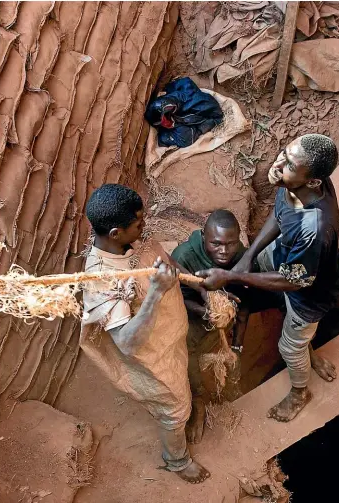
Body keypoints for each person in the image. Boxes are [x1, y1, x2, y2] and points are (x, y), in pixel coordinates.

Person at [196, 134, 339, 423]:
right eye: (283, 153)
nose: (278, 164)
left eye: (289, 163)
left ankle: (300, 392)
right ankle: (307, 347)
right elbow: (280, 215)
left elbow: (294, 282)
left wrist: (229, 274)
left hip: (309, 294)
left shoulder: (314, 229)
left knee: (289, 346)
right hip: (288, 258)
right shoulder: (293, 182)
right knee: (284, 312)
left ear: (313, 182)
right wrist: (249, 255)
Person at [79, 183, 210, 484]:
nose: (145, 225)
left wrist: (199, 285)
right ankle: (177, 460)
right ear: (115, 233)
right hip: (153, 358)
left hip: (171, 339)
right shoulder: (102, 281)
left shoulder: (134, 240)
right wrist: (155, 293)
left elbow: (166, 263)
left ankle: (191, 406)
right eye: (139, 223)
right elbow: (126, 343)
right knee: (174, 407)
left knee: (185, 380)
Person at [171, 210, 258, 444]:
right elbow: (173, 300)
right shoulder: (185, 256)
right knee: (188, 353)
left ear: (239, 238)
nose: (224, 251)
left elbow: (245, 305)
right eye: (216, 243)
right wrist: (205, 311)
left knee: (226, 354)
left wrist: (237, 347)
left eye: (230, 243)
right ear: (203, 236)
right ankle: (198, 402)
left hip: (220, 316)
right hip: (189, 312)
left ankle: (229, 383)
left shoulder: (242, 258)